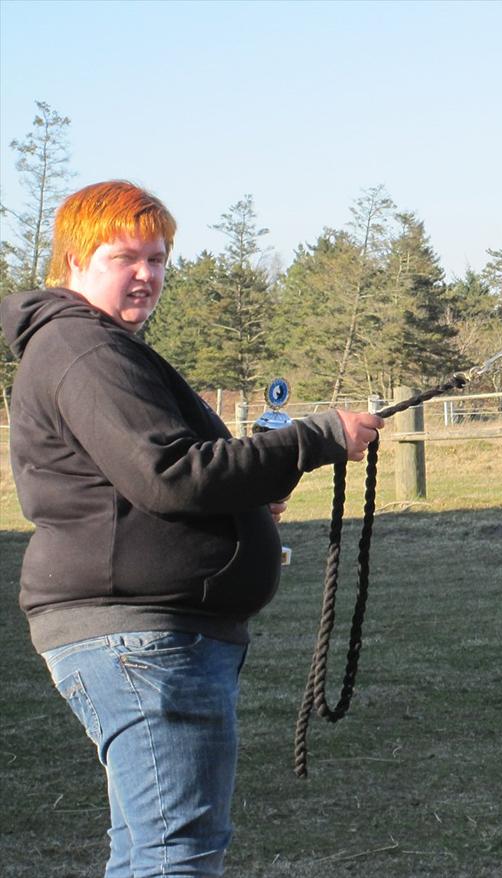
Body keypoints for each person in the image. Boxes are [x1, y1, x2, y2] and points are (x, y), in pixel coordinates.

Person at [0, 180, 385, 877]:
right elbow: (171, 474)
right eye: (125, 257)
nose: (146, 275)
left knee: (151, 851)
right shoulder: (85, 350)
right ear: (75, 260)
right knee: (175, 856)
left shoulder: (89, 347)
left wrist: (245, 506)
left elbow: (142, 480)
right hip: (143, 641)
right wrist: (317, 438)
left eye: (157, 259)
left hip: (146, 636)